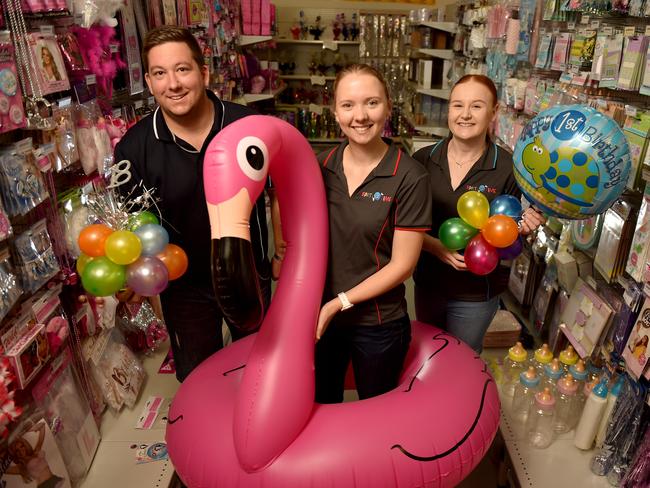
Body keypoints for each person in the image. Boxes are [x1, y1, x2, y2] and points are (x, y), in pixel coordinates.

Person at [114, 26, 281, 382]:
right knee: (197, 380)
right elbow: (132, 226)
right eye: (160, 73)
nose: (172, 84)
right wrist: (142, 287)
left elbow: (278, 190)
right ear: (148, 80)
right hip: (184, 289)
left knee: (261, 375)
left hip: (248, 275)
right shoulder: (133, 149)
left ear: (203, 73)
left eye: (182, 69)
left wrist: (282, 252)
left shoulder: (248, 126)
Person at [314, 64, 432, 403]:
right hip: (321, 319)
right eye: (348, 105)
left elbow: (402, 266)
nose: (360, 116)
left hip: (378, 325)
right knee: (322, 409)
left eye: (371, 103)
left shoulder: (409, 176)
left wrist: (340, 302)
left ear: (388, 107)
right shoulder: (320, 168)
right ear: (335, 111)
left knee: (377, 414)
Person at [412, 74, 545, 353]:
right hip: (428, 285)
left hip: (475, 294)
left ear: (494, 111)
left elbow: (510, 231)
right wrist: (435, 247)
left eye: (476, 106)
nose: (465, 115)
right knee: (426, 360)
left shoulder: (508, 168)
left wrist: (522, 227)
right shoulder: (422, 160)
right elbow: (403, 225)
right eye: (457, 105)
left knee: (462, 365)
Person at [6, 422, 65, 488]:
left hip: (54, 479)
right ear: (15, 454)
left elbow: (42, 426)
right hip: (44, 486)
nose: (21, 450)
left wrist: (27, 431)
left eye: (22, 446)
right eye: (17, 450)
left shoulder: (36, 452)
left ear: (25, 445)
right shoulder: (21, 467)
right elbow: (4, 469)